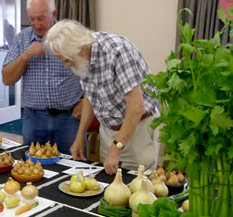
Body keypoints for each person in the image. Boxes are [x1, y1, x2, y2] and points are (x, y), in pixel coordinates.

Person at [44, 19, 160, 175]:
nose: (66, 65)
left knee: (138, 187)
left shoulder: (117, 51)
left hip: (138, 129)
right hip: (108, 132)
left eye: (66, 60)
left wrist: (116, 148)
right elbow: (90, 97)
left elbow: (136, 108)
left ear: (79, 47)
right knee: (109, 185)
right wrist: (80, 137)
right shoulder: (82, 58)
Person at [1, 0, 83, 154]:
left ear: (54, 14)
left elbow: (92, 71)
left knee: (73, 167)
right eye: (32, 19)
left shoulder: (72, 37)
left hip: (69, 118)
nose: (36, 25)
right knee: (33, 168)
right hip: (34, 118)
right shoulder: (22, 39)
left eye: (40, 18)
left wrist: (86, 100)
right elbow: (7, 78)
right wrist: (26, 55)